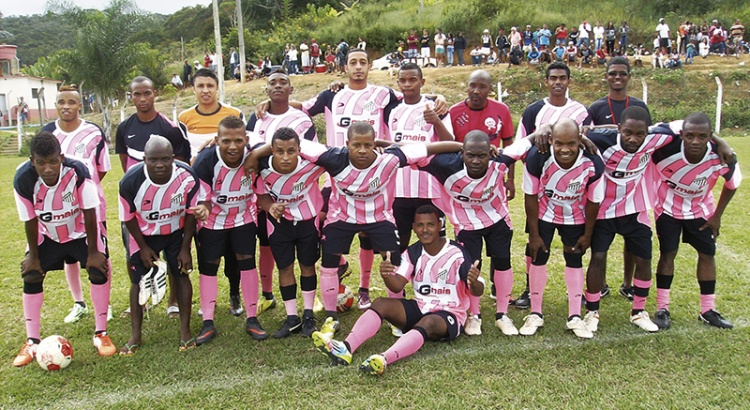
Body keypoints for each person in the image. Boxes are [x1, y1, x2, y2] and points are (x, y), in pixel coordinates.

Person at [279, 122, 460, 336]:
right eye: (357, 145)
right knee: (328, 263)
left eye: (368, 145)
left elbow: (431, 147)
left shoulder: (391, 159)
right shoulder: (332, 157)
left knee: (393, 262)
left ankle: (397, 318)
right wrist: (254, 156)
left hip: (379, 217)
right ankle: (331, 317)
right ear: (347, 145)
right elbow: (292, 144)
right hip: (342, 217)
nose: (362, 150)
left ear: (375, 144)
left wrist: (462, 146)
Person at [582, 107, 735, 334]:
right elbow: (567, 133)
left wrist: (719, 141)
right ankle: (592, 312)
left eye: (640, 134)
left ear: (648, 132)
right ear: (619, 129)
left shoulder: (658, 136)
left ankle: (639, 312)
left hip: (636, 208)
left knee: (644, 260)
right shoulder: (599, 140)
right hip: (604, 209)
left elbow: (688, 124)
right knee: (598, 257)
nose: (634, 139)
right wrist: (578, 132)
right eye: (627, 133)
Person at [311, 205, 483, 375]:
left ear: (439, 225)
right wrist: (387, 275)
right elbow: (397, 285)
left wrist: (474, 282)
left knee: (429, 322)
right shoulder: (412, 252)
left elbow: (477, 290)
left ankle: (384, 359)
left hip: (449, 314)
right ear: (414, 228)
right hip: (421, 307)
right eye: (420, 225)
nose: (425, 230)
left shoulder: (456, 253)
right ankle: (346, 348)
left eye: (430, 224)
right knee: (380, 303)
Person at [12, 132, 116, 366]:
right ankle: (32, 341)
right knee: (31, 274)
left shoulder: (78, 171)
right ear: (32, 161)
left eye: (53, 162)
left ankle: (101, 334)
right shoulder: (23, 179)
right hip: (47, 235)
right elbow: (30, 220)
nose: (48, 168)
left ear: (61, 157)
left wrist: (93, 252)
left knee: (99, 269)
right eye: (41, 163)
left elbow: (90, 211)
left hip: (80, 231)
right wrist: (34, 258)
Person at [418, 130, 535, 336]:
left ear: (491, 153)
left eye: (482, 155)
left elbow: (531, 138)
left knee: (502, 261)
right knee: (471, 267)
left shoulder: (501, 161)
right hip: (466, 225)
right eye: (470, 155)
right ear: (461, 153)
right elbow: (413, 152)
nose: (476, 161)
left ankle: (502, 314)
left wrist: (553, 132)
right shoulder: (445, 166)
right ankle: (475, 314)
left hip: (497, 219)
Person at [649, 113, 740, 330]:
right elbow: (659, 126)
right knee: (667, 254)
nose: (695, 141)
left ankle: (707, 309)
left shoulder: (722, 156)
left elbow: (732, 184)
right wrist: (720, 138)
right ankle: (663, 308)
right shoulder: (665, 148)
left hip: (701, 211)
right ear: (682, 135)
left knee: (707, 255)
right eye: (690, 136)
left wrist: (717, 216)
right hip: (667, 210)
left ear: (710, 137)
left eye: (702, 136)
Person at [513, 62, 592, 309]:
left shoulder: (580, 111)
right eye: (553, 78)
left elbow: (587, 142)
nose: (558, 82)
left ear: (569, 82)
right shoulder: (533, 111)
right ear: (545, 82)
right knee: (536, 242)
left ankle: (577, 295)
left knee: (574, 246)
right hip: (542, 189)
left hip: (571, 192)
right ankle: (529, 289)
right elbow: (522, 145)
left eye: (562, 78)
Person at [119, 136, 204, 353]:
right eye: (153, 159)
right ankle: (136, 334)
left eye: (165, 159)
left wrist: (186, 248)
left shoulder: (187, 176)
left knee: (181, 273)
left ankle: (185, 330)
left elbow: (192, 213)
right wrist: (143, 247)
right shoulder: (130, 182)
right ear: (144, 159)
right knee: (139, 280)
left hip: (176, 231)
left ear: (173, 158)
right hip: (144, 235)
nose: (160, 164)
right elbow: (128, 218)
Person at [115, 76, 191, 318]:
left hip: (168, 205)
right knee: (134, 254)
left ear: (154, 94)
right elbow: (125, 165)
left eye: (146, 93)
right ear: (131, 97)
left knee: (172, 255)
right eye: (136, 94)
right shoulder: (124, 128)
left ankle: (173, 301)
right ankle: (142, 297)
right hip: (136, 206)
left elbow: (180, 164)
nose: (142, 99)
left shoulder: (168, 128)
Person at [522, 119, 604, 338]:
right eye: (559, 143)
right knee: (538, 256)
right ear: (550, 141)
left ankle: (574, 316)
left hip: (575, 216)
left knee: (574, 258)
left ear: (580, 141)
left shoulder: (593, 161)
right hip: (544, 213)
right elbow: (530, 197)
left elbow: (593, 201)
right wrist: (534, 234)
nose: (565, 149)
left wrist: (587, 234)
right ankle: (535, 313)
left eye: (571, 144)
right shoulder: (537, 157)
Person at [192, 116, 269, 344]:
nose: (233, 146)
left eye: (238, 141)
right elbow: (204, 199)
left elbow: (274, 143)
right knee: (209, 266)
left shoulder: (254, 155)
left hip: (243, 218)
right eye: (226, 141)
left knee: (247, 261)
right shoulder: (205, 162)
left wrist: (254, 153)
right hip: (213, 221)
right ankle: (208, 322)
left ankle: (252, 318)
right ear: (216, 140)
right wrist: (203, 210)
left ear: (246, 140)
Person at [178, 68, 247, 317]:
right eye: (200, 86)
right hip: (200, 192)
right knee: (208, 252)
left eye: (210, 85)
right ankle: (207, 301)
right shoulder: (184, 117)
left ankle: (234, 295)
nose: (205, 90)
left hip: (231, 191)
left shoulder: (233, 114)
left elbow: (242, 146)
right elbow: (181, 155)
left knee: (234, 253)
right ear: (193, 89)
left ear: (217, 88)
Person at [246, 71, 316, 317]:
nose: (277, 86)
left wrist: (259, 154)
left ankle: (306, 311)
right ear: (265, 89)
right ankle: (269, 295)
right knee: (268, 246)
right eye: (272, 83)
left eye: (282, 82)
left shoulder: (302, 119)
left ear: (291, 88)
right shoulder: (256, 118)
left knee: (308, 261)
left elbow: (309, 152)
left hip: (300, 197)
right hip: (266, 191)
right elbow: (249, 149)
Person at [42, 84, 111, 325]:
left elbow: (100, 170)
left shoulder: (93, 132)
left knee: (100, 253)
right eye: (61, 102)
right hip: (60, 209)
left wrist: (84, 191)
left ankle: (105, 305)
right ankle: (78, 303)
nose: (66, 107)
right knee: (69, 256)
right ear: (56, 105)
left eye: (71, 102)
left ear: (79, 105)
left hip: (92, 207)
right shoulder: (48, 133)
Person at [588, 57, 652, 299]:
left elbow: (648, 141)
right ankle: (601, 284)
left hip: (631, 187)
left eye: (622, 74)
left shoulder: (638, 106)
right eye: (613, 73)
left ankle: (628, 283)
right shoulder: (596, 108)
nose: (617, 77)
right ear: (606, 76)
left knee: (632, 241)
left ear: (628, 77)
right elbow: (588, 141)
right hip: (605, 185)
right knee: (600, 245)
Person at [254, 127, 327, 338]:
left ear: (299, 150)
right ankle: (292, 317)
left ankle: (308, 315)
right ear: (272, 151)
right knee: (285, 267)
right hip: (279, 225)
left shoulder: (313, 165)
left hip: (307, 223)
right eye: (279, 151)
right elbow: (261, 196)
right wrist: (270, 207)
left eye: (291, 151)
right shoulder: (263, 168)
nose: (285, 157)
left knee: (307, 265)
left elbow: (337, 160)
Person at [384, 63, 453, 270]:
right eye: (403, 80)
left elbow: (449, 144)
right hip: (399, 189)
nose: (408, 84)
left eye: (413, 80)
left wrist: (436, 122)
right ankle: (397, 290)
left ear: (422, 82)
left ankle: (435, 285)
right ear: (398, 83)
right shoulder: (391, 110)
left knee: (434, 241)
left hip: (429, 188)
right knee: (398, 242)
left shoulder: (436, 108)